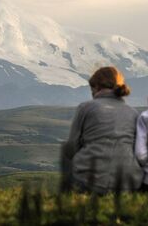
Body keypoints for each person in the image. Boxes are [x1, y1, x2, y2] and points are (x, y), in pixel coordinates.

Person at [61, 66, 143, 194]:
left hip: (90, 180)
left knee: (65, 148)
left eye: (91, 89)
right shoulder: (133, 113)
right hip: (128, 182)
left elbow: (72, 147)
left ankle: (67, 200)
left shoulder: (86, 107)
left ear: (97, 87)